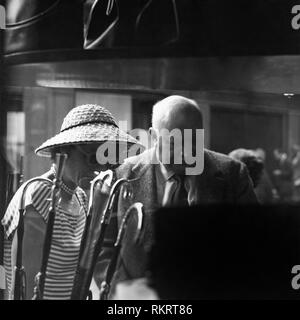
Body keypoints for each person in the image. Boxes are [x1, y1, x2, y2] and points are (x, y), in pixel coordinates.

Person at [109, 95, 258, 297]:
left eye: (193, 140)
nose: (186, 151)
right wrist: (124, 292)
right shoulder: (124, 174)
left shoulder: (232, 174)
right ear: (153, 136)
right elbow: (105, 247)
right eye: (175, 142)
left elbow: (253, 244)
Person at [1, 104, 141, 300]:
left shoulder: (80, 197)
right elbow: (26, 290)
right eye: (93, 158)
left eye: (107, 159)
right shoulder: (37, 196)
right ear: (63, 151)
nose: (101, 169)